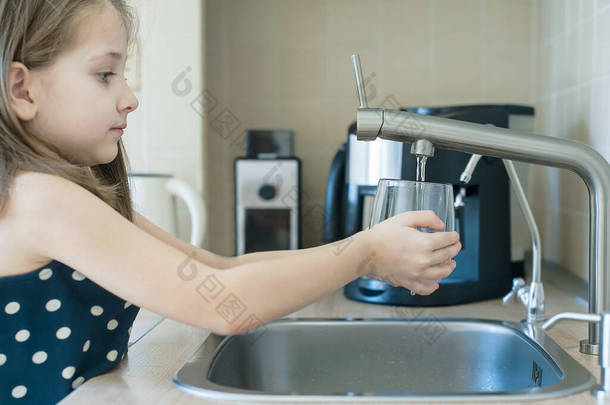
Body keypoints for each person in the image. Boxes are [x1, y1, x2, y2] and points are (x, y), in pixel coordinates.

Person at [0, 0, 461, 403]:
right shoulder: (40, 198)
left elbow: (221, 270)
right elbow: (222, 304)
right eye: (105, 75)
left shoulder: (65, 197)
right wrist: (365, 253)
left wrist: (366, 252)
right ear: (22, 90)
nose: (130, 98)